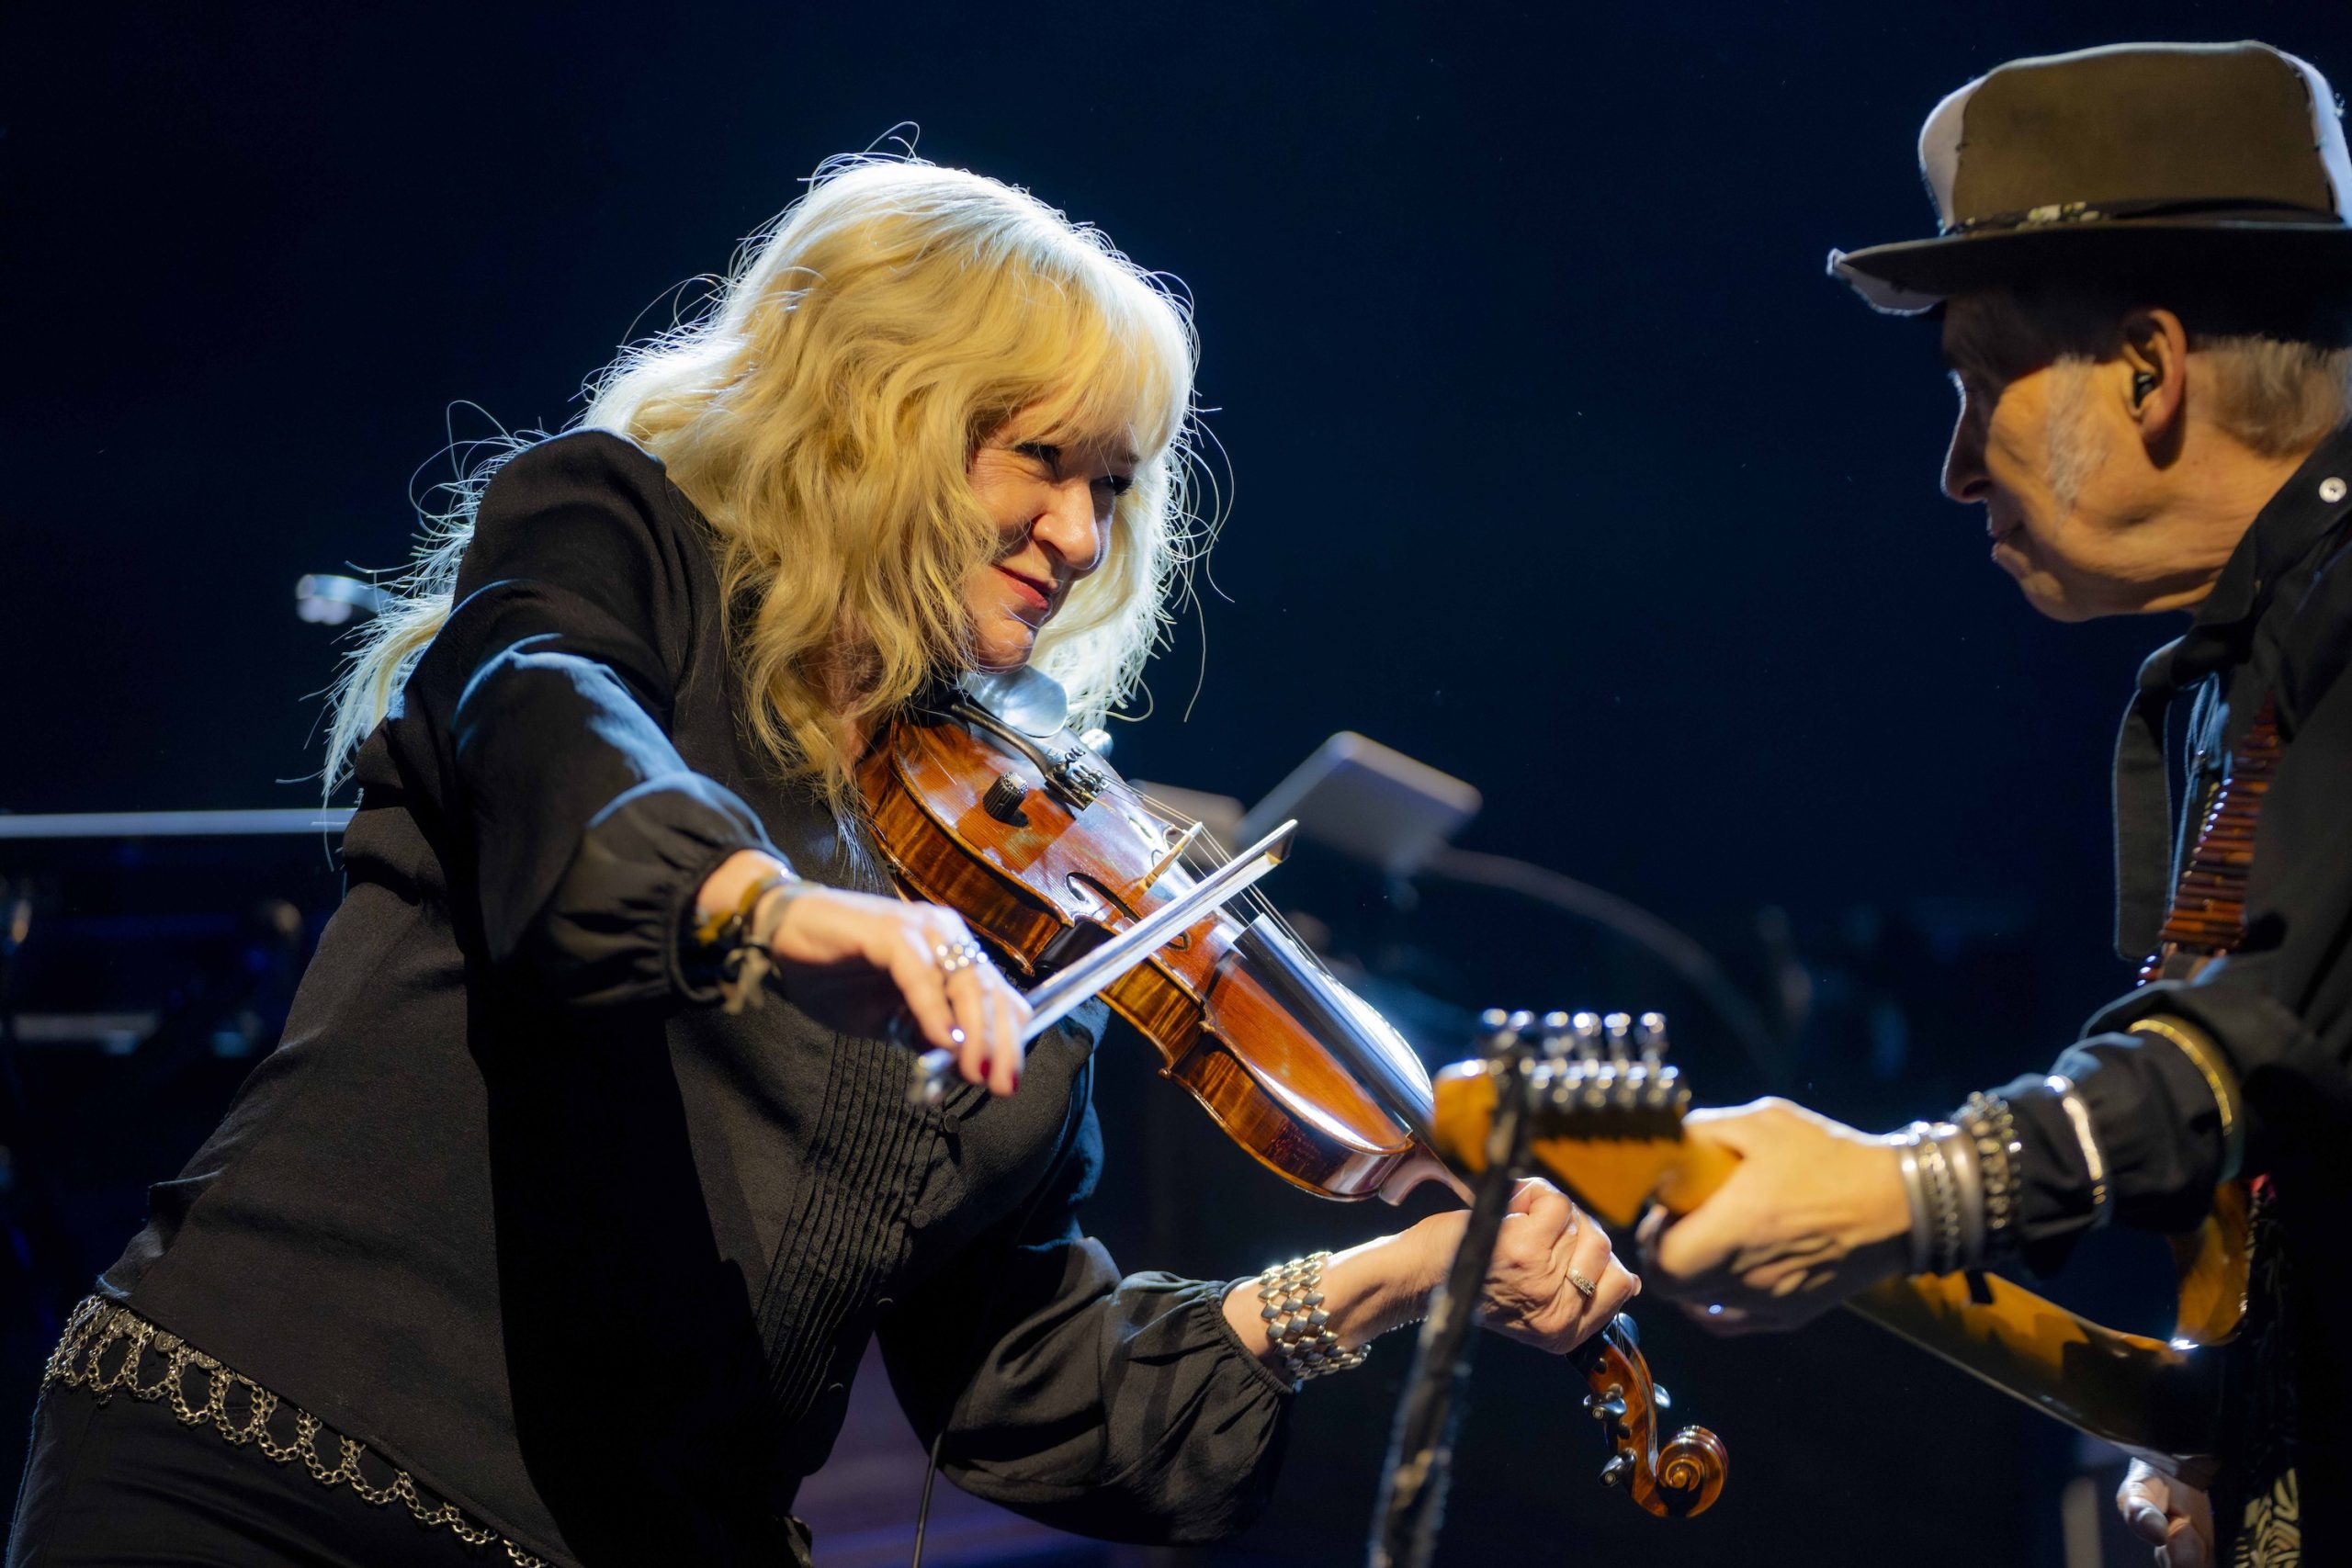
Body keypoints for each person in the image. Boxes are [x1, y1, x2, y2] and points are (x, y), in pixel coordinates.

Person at [4, 157, 1637, 1568]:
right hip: (270, 1464)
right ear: (879, 415)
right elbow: (554, 731)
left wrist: (1384, 1277)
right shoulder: (615, 545)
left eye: (1114, 487)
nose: (1083, 538)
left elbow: (1025, 1383)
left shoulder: (1028, 887)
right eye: (1041, 458)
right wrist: (767, 910)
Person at [1637, 41, 2352, 1568]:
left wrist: (1914, 1188)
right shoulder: (2236, 667)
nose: (1959, 469)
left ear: (2150, 369)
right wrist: (2246, 1427)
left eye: (1980, 385)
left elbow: (2266, 1047)